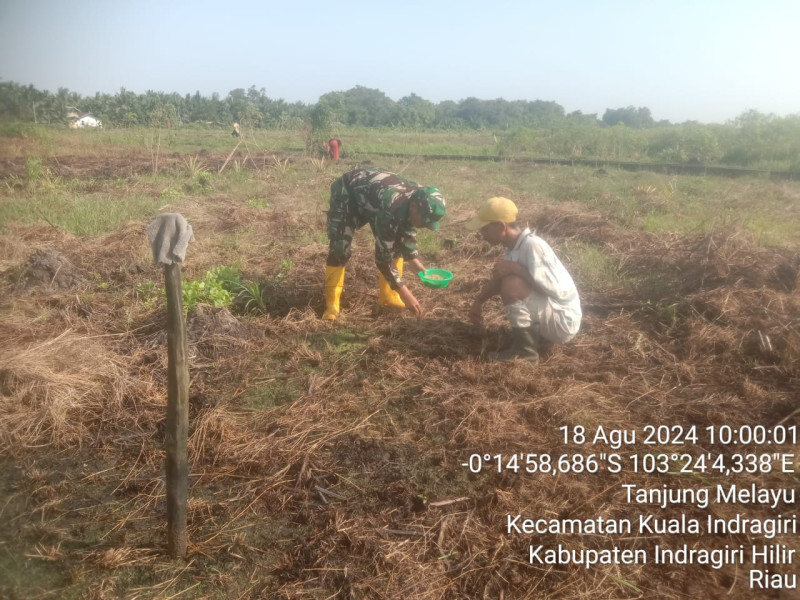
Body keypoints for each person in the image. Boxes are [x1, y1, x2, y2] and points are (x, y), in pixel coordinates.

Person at [323, 168, 446, 320]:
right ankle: (332, 307)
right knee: (340, 248)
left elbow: (406, 231)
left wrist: (416, 264)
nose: (424, 226)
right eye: (424, 220)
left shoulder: (420, 197)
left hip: (374, 198)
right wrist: (406, 294)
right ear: (414, 207)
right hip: (348, 191)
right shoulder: (393, 206)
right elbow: (383, 258)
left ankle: (389, 298)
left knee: (395, 246)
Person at [468, 197, 581, 362]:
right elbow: (499, 278)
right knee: (509, 279)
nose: (482, 234)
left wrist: (517, 270)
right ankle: (530, 340)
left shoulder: (533, 246)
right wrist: (479, 301)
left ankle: (525, 352)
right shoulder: (514, 247)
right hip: (553, 314)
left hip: (563, 321)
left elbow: (553, 289)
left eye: (485, 229)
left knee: (512, 285)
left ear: (501, 226)